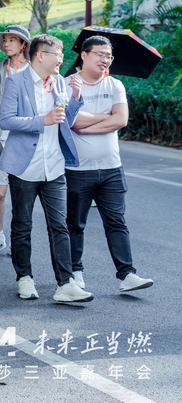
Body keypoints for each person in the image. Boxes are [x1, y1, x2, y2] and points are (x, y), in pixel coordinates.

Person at [0, 34, 92, 302]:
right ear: (40, 55)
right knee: (23, 224)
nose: (61, 59)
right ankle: (24, 278)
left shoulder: (61, 83)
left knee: (59, 226)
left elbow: (65, 121)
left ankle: (65, 284)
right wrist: (42, 120)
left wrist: (75, 97)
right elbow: (6, 120)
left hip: (54, 165)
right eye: (57, 54)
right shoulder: (16, 81)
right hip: (25, 167)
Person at [66, 36, 153, 293]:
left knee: (116, 222)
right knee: (75, 224)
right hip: (77, 169)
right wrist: (105, 117)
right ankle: (75, 273)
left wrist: (90, 125)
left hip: (112, 168)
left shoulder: (115, 85)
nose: (105, 60)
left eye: (109, 56)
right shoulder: (68, 84)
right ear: (84, 55)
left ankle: (127, 275)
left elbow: (121, 120)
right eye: (100, 54)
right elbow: (71, 121)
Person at [0, 25, 31, 257]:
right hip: (0, 138)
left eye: (12, 40)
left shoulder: (34, 70)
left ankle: (20, 239)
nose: (6, 44)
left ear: (23, 44)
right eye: (4, 40)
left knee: (24, 193)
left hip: (26, 138)